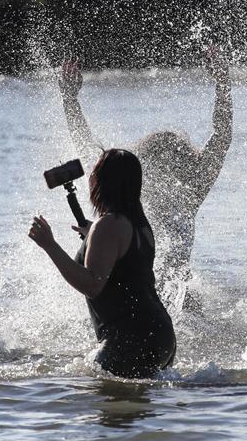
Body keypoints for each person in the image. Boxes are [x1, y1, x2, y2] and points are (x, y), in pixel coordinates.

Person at [56, 51, 232, 303]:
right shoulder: (183, 193)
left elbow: (87, 146)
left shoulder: (182, 192)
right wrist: (222, 84)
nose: (167, 165)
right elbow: (222, 136)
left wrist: (70, 100)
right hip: (167, 295)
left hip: (152, 294)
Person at [28, 149, 176, 378]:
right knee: (137, 407)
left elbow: (92, 284)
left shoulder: (108, 225)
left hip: (130, 338)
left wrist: (50, 245)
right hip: (161, 336)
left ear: (104, 182)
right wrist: (92, 235)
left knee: (90, 397)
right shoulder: (140, 224)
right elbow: (127, 267)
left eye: (95, 172)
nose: (90, 178)